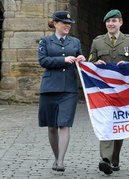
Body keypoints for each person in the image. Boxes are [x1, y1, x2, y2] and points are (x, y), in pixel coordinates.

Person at [88, 9, 129, 175]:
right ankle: (105, 159)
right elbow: (89, 64)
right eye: (108, 22)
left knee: (118, 124)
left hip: (122, 92)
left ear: (121, 23)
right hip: (102, 91)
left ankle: (114, 160)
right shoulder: (97, 42)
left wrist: (127, 65)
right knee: (105, 122)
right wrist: (96, 63)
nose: (111, 24)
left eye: (114, 21)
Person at [38, 11, 86, 172]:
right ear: (55, 23)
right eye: (64, 23)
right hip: (50, 88)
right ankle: (56, 156)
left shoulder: (75, 42)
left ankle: (60, 161)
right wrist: (63, 60)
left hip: (69, 88)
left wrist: (82, 59)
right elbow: (42, 61)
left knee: (64, 124)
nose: (67, 26)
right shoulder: (45, 41)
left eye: (69, 23)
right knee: (51, 126)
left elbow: (79, 59)